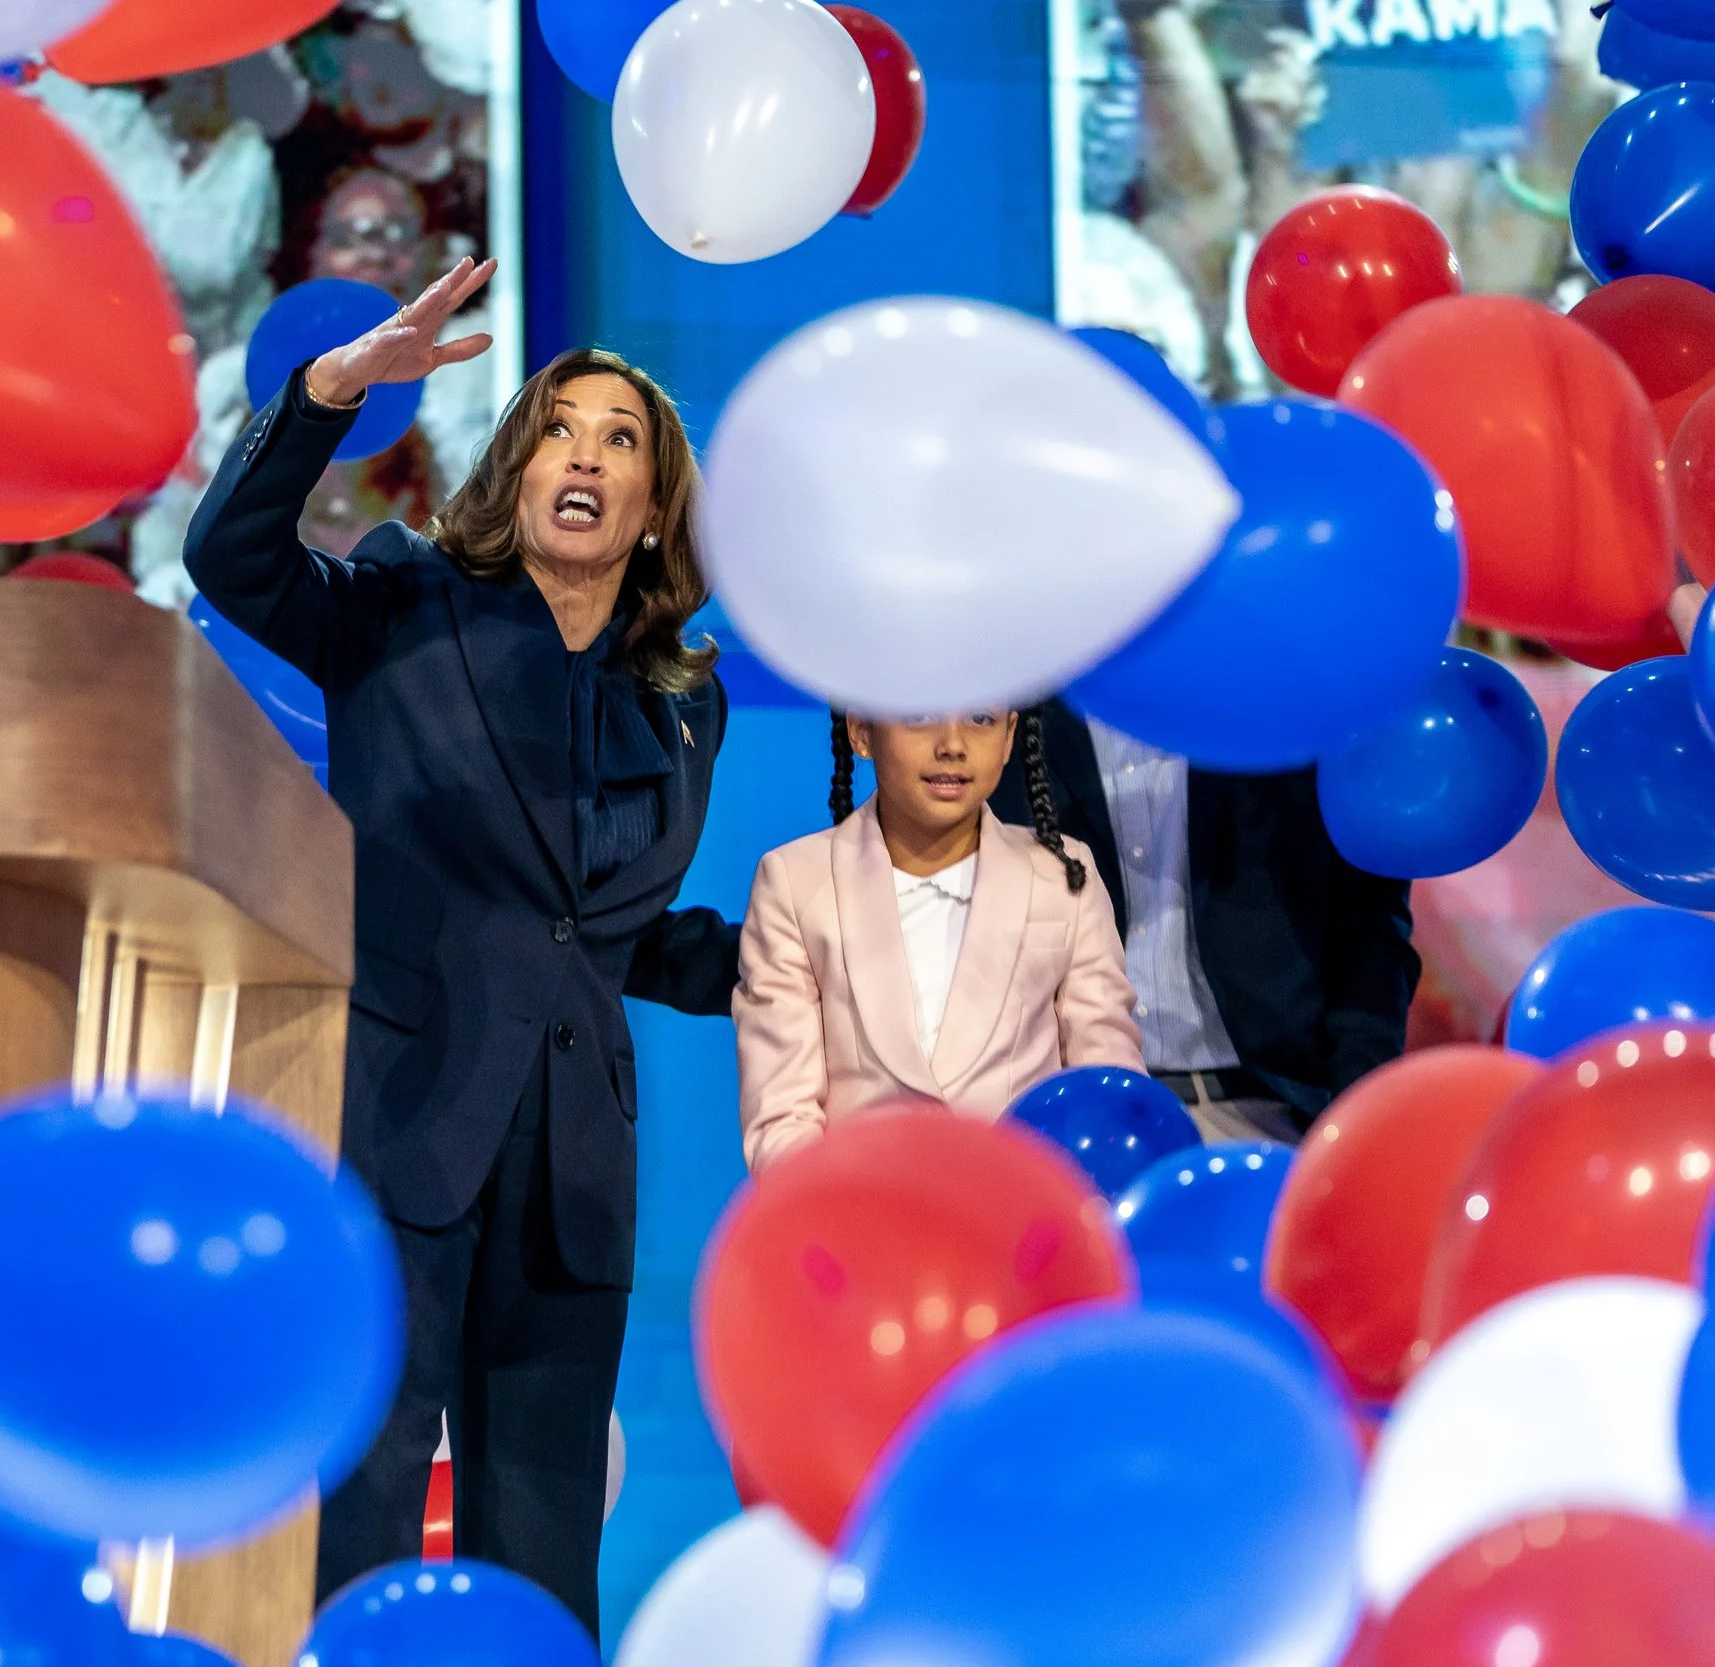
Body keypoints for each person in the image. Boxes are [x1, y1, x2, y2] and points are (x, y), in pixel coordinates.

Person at [182, 256, 739, 1634]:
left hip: (572, 1164)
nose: (588, 456)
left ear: (655, 508)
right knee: (360, 1505)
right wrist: (325, 397)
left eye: (623, 443)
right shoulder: (399, 606)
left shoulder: (681, 701)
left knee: (544, 1535)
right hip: (400, 1124)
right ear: (515, 462)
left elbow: (605, 926)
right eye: (562, 425)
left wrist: (795, 944)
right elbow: (227, 560)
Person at [735, 710, 1142, 1174]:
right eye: (918, 716)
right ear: (862, 729)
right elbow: (782, 1114)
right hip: (861, 1224)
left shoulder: (1064, 875)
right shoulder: (795, 882)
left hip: (1025, 1225)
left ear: (1010, 736)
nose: (952, 744)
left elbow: (1107, 1084)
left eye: (981, 719)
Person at [988, 706, 1418, 1141]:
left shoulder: (1287, 702)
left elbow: (1370, 928)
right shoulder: (1007, 707)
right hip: (1065, 1118)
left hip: (1269, 1110)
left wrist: (1356, 1117)